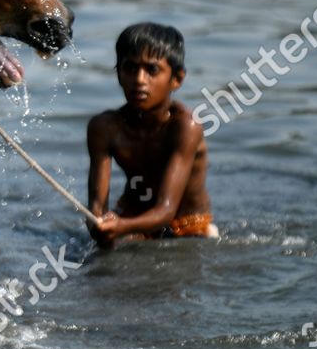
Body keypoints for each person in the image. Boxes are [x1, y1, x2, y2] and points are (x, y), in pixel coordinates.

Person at [85, 22, 218, 246]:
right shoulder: (104, 127)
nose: (139, 80)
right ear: (118, 74)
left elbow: (166, 211)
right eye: (130, 68)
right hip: (130, 217)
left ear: (177, 79)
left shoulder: (185, 127)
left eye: (152, 70)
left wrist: (121, 228)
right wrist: (98, 225)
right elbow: (96, 206)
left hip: (184, 225)